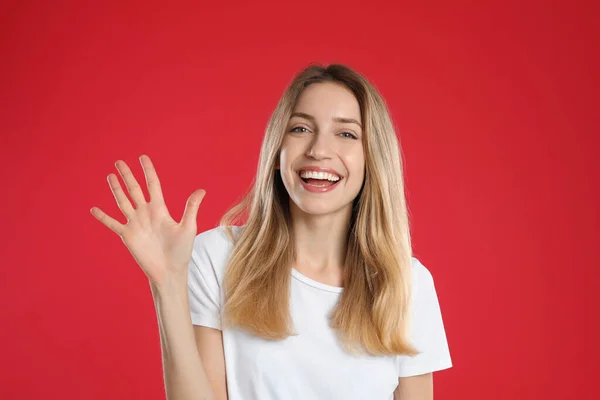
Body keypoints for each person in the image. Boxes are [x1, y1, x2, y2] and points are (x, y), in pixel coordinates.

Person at [90, 63, 452, 400]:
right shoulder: (217, 256)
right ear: (277, 149)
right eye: (300, 128)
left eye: (346, 133)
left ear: (373, 157)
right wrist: (167, 283)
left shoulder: (407, 284)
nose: (319, 150)